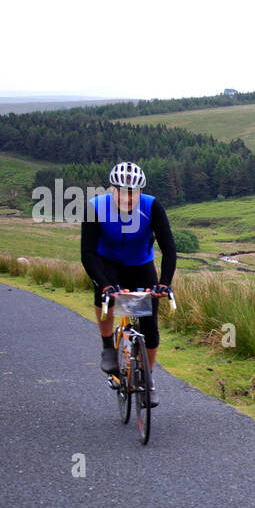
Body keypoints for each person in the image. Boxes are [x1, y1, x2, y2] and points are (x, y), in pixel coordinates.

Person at [80, 161, 176, 406]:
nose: (128, 197)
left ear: (140, 191)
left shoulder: (152, 206)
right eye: (122, 191)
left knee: (150, 328)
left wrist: (164, 284)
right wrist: (104, 285)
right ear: (112, 188)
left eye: (133, 192)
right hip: (107, 263)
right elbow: (88, 254)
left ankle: (148, 380)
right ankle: (108, 347)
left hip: (140, 265)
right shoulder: (96, 207)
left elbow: (168, 248)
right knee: (105, 299)